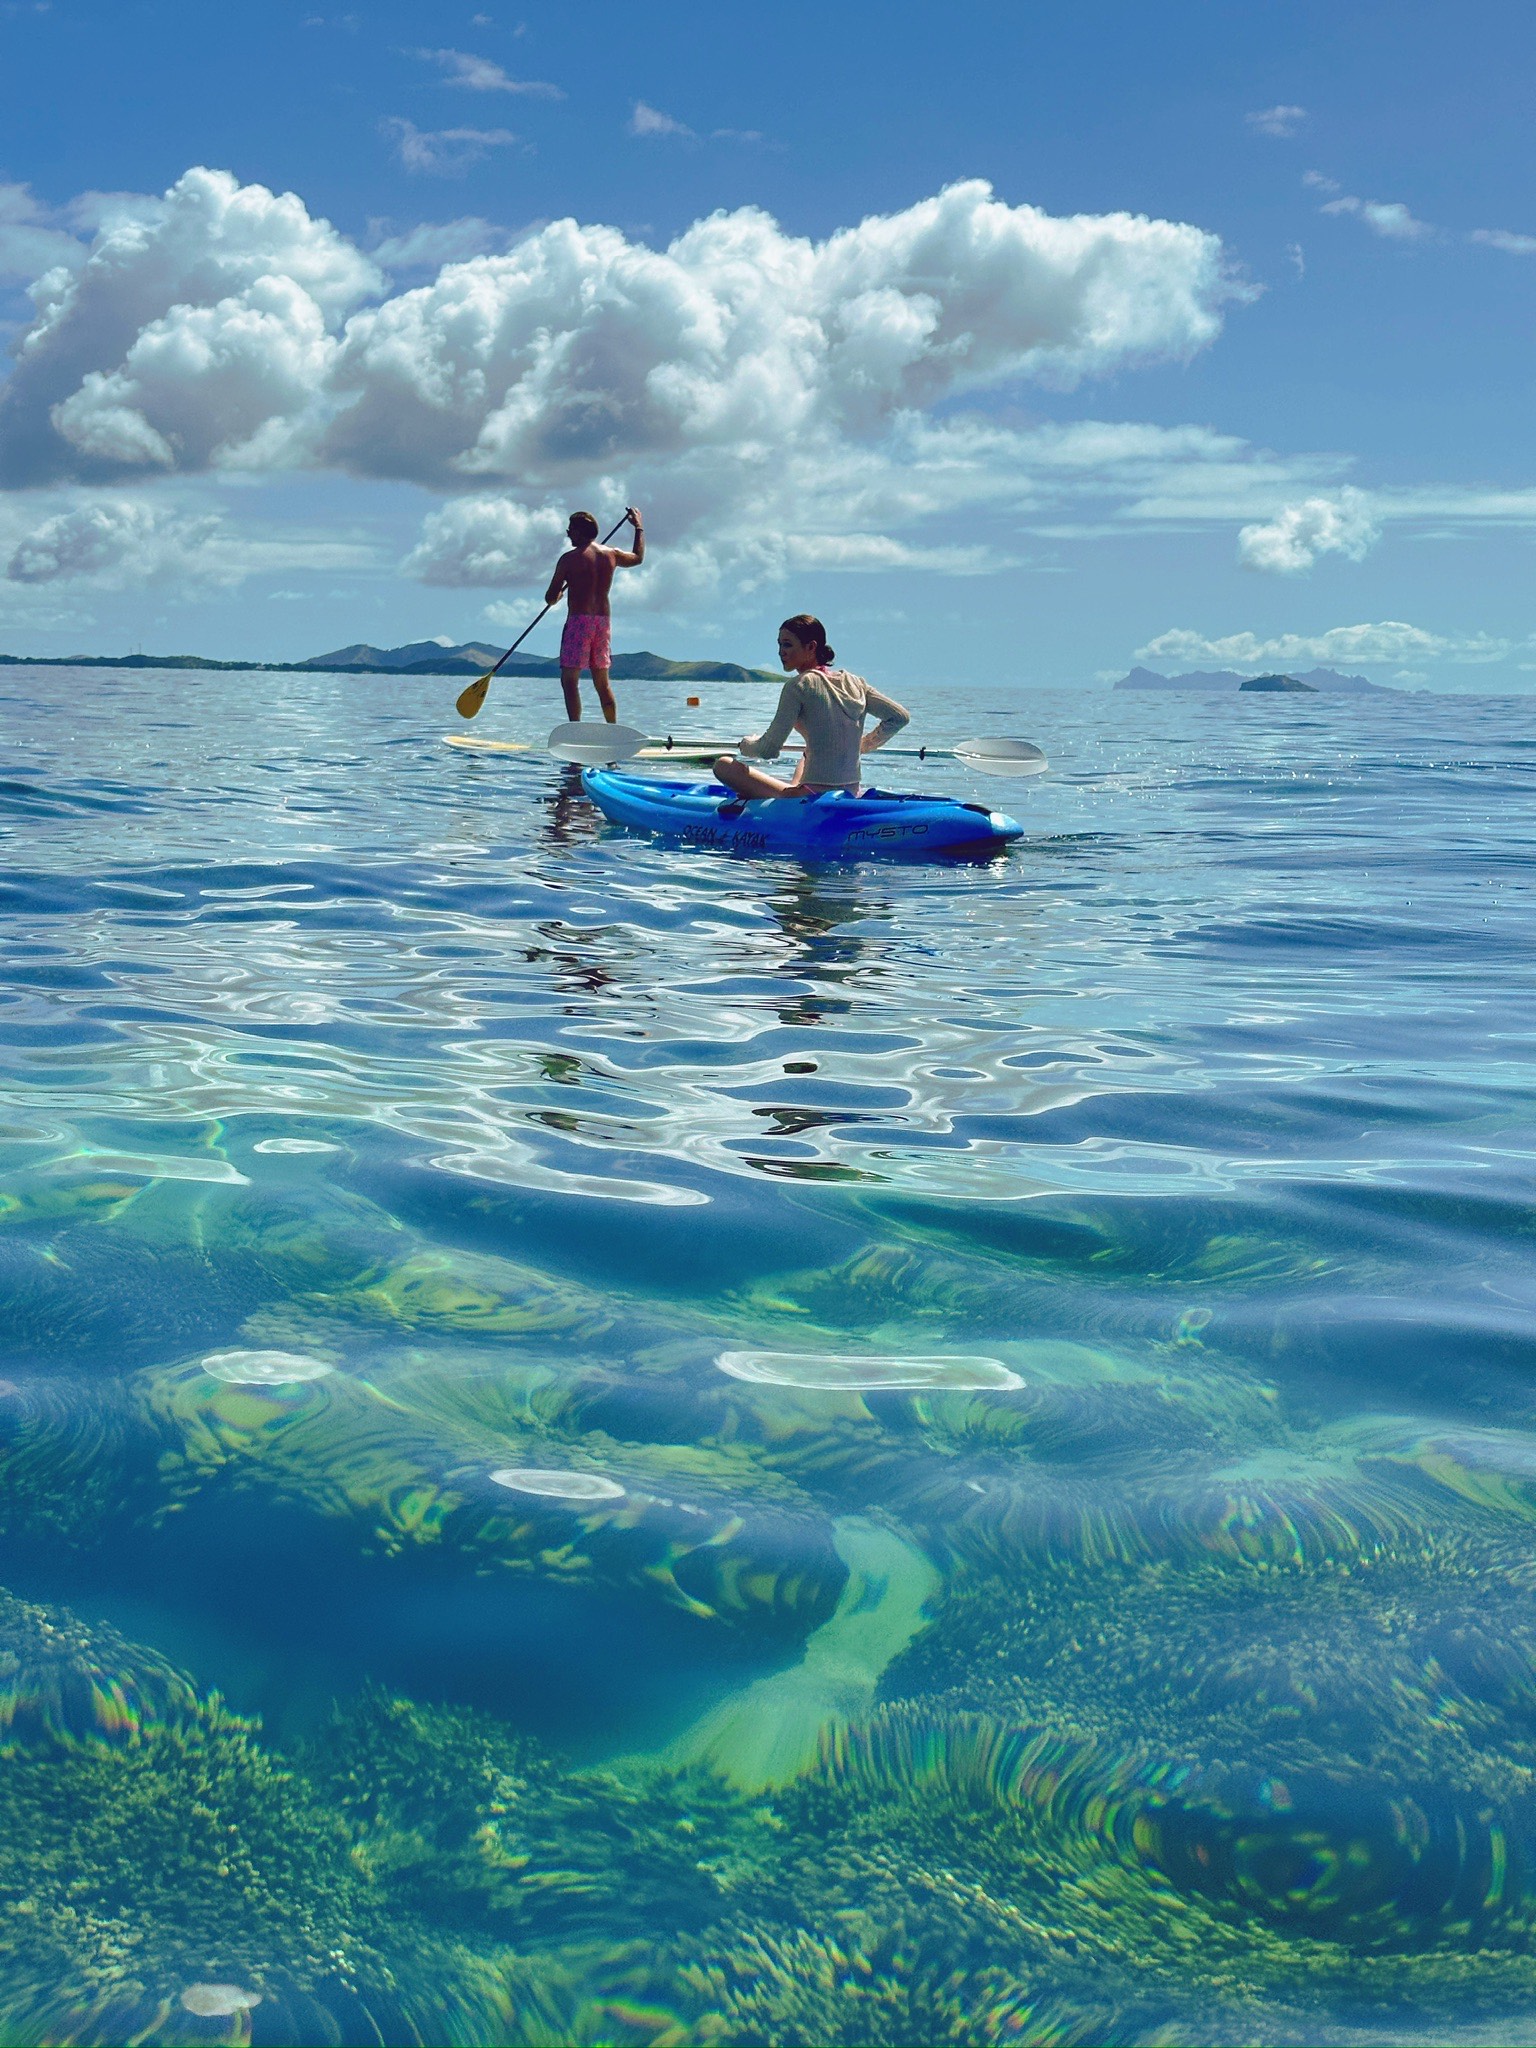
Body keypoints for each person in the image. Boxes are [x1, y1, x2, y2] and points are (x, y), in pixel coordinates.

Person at [713, 615, 909, 801]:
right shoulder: (856, 682)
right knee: (807, 754)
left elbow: (768, 749)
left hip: (811, 796)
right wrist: (863, 745)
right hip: (851, 790)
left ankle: (780, 799)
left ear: (811, 647)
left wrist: (746, 744)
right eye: (780, 645)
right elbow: (899, 717)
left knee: (722, 766)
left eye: (788, 644)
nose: (781, 651)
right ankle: (790, 790)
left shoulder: (798, 686)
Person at [545, 507, 645, 723]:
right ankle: (612, 730)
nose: (568, 533)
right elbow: (638, 558)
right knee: (602, 683)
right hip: (602, 623)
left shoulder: (568, 559)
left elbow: (550, 598)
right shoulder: (611, 554)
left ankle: (575, 730)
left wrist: (560, 593)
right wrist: (638, 526)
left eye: (570, 530)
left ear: (580, 532)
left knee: (570, 681)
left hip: (579, 622)